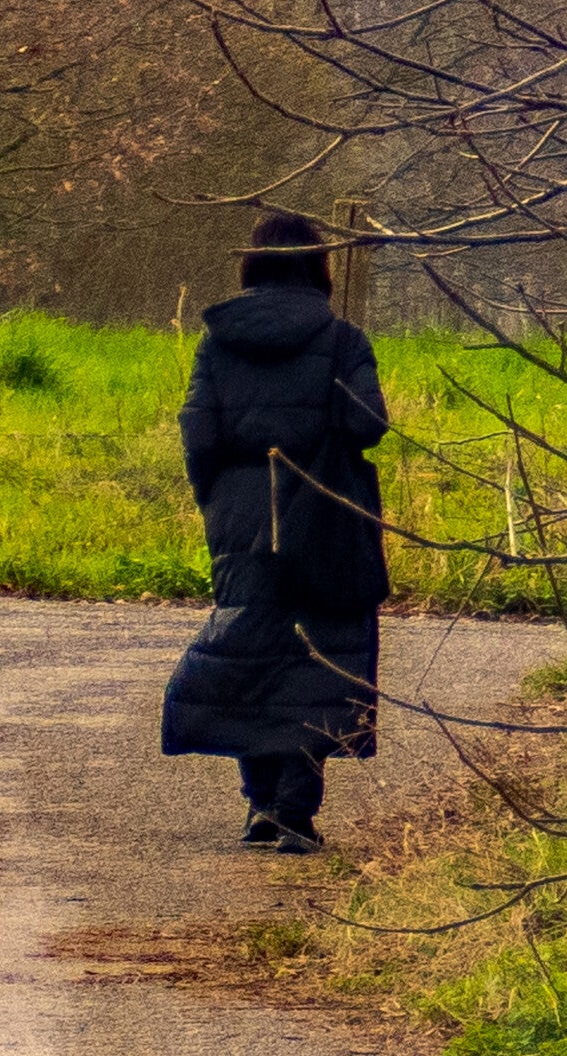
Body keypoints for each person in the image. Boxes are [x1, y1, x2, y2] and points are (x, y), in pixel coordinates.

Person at [161, 211, 389, 852]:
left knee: (249, 651)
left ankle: (260, 803)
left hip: (240, 514)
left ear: (253, 261)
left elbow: (198, 430)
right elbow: (368, 424)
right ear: (319, 265)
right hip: (327, 512)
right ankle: (295, 810)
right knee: (318, 658)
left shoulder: (218, 340)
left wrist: (217, 499)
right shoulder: (343, 339)